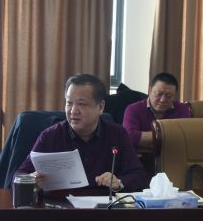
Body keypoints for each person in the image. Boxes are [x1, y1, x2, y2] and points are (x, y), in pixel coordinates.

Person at [15, 74, 145, 193]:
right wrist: (31, 180)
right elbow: (19, 175)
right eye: (69, 103)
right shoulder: (50, 136)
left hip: (103, 207)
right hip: (59, 206)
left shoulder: (118, 135)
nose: (73, 111)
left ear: (100, 107)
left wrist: (118, 183)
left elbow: (138, 175)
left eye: (81, 104)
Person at [122, 72, 191, 151]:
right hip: (141, 156)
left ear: (174, 95)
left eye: (168, 96)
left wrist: (145, 139)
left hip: (174, 155)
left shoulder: (182, 109)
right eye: (159, 94)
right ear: (150, 90)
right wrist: (171, 137)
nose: (162, 100)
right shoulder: (133, 109)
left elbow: (186, 137)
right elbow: (130, 137)